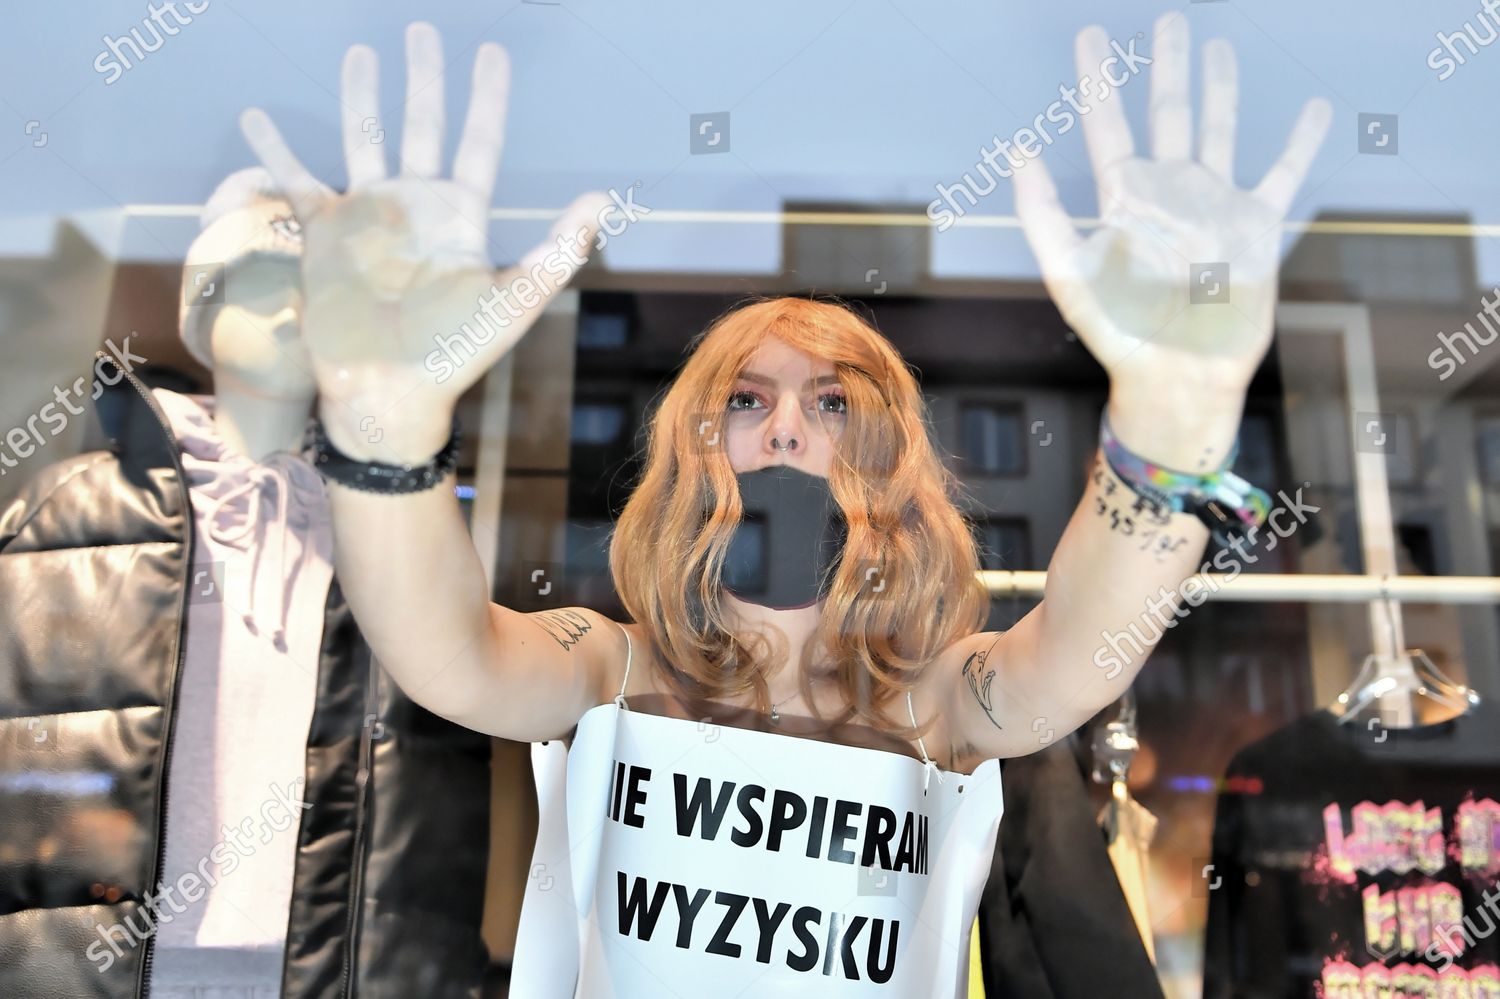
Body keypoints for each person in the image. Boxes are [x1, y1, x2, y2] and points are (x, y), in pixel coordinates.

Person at [236, 15, 1330, 995]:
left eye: (834, 404)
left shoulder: (935, 704)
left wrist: (1173, 430)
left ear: (889, 453)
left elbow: (1085, 649)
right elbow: (450, 661)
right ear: (695, 444)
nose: (789, 430)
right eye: (747, 400)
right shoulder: (614, 669)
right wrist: (382, 429)